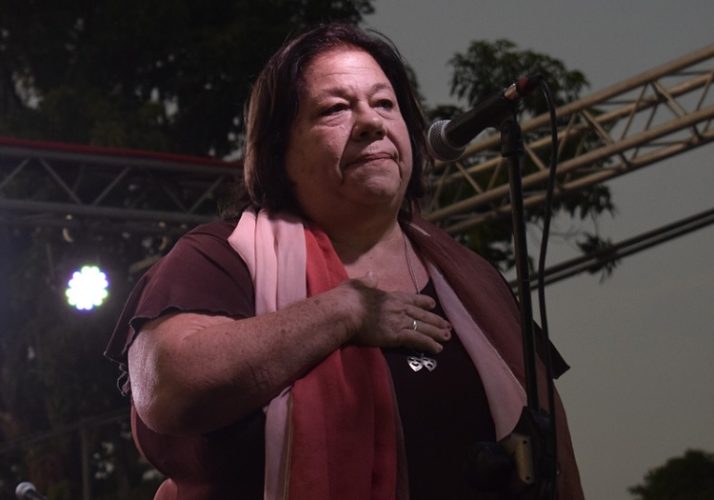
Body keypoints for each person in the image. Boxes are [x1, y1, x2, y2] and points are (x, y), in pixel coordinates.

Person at [106, 23, 584, 500]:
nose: (372, 123)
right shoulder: (221, 256)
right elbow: (165, 386)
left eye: (385, 104)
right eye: (335, 109)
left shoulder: (472, 279)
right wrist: (343, 312)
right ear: (279, 152)